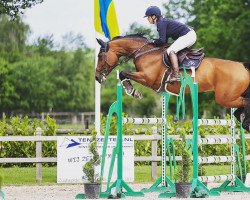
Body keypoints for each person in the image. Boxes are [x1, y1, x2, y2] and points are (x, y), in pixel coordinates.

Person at [144, 6, 197, 83]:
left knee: (171, 51)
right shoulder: (161, 22)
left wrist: (152, 41)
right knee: (171, 49)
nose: (147, 19)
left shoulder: (160, 23)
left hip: (188, 35)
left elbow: (162, 41)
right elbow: (164, 41)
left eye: (148, 17)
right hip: (189, 35)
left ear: (153, 16)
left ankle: (176, 75)